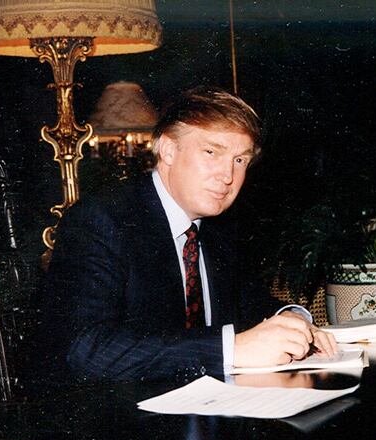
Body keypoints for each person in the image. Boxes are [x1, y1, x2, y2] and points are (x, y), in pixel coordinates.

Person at [35, 86, 336, 384]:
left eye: (240, 160)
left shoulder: (218, 226)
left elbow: (247, 301)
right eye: (211, 152)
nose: (228, 176)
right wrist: (229, 350)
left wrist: (290, 319)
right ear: (168, 150)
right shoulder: (103, 219)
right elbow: (84, 348)